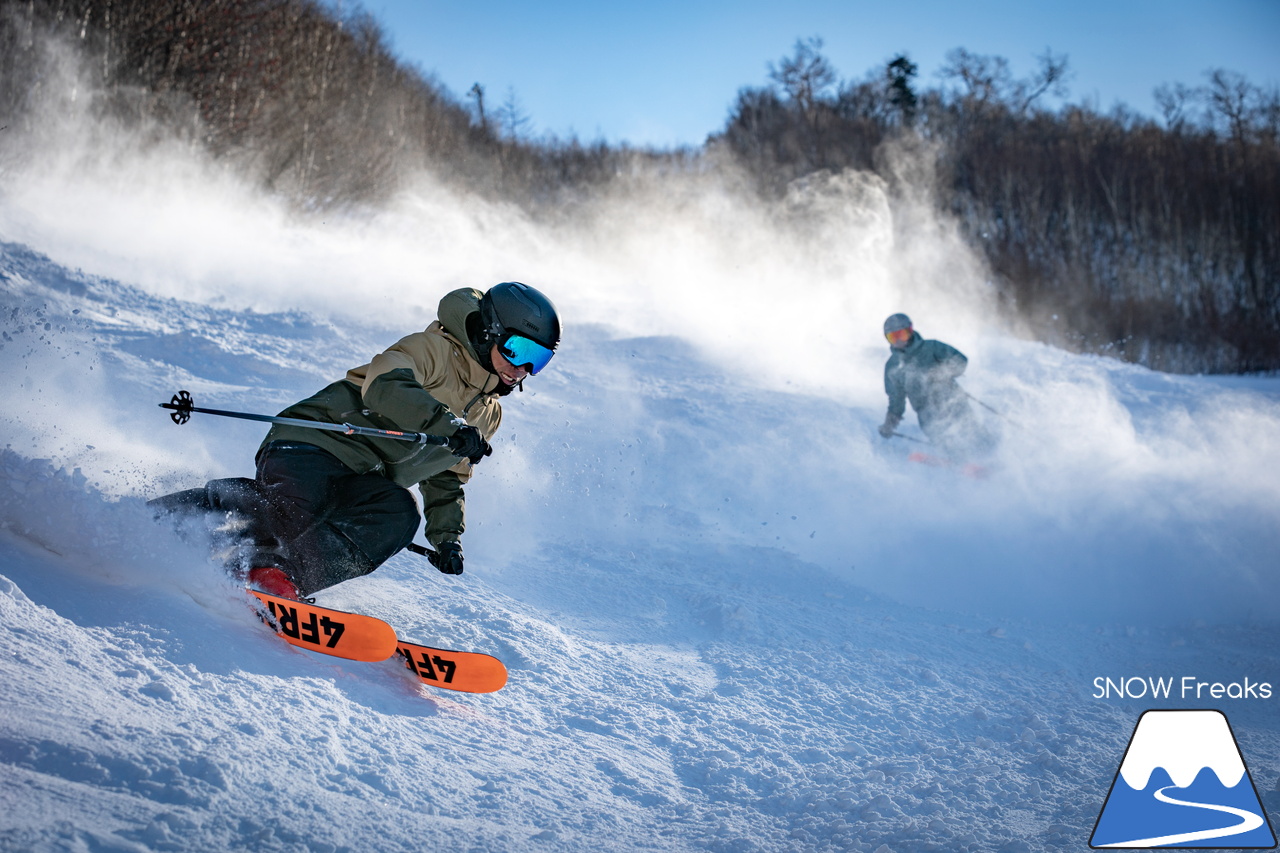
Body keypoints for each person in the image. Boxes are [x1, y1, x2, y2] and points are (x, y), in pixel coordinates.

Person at [151, 282, 561, 600]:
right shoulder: (434, 350)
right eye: (517, 349)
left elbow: (447, 475)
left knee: (398, 515)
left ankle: (282, 577)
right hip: (315, 442)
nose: (522, 368)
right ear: (491, 331)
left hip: (366, 480)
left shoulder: (487, 414)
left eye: (538, 360)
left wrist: (447, 537)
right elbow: (384, 384)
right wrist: (445, 423)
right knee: (296, 512)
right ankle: (176, 521)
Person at [876, 313, 993, 461]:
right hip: (926, 411)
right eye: (893, 337)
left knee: (970, 430)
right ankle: (959, 460)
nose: (898, 340)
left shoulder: (931, 347)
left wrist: (941, 372)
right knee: (941, 436)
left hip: (952, 399)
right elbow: (896, 399)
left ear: (910, 331)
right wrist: (890, 423)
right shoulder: (892, 366)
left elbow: (960, 361)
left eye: (902, 334)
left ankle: (991, 454)